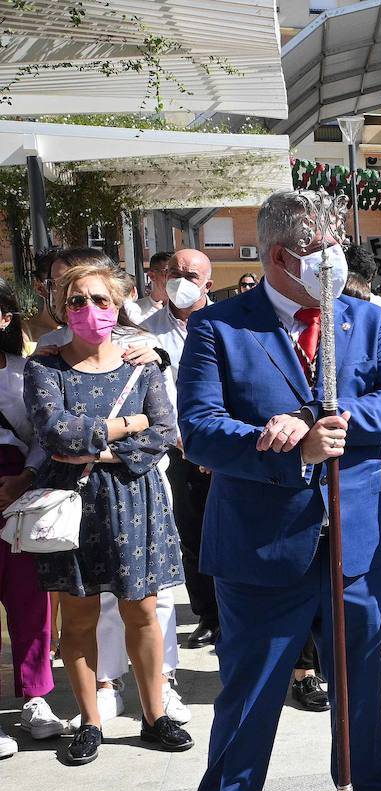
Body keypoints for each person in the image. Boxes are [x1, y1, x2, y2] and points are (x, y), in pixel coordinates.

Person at [169, 190, 381, 791]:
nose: (336, 261)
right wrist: (271, 442)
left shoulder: (369, 320)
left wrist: (327, 422)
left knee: (363, 697)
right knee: (247, 703)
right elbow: (200, 427)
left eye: (340, 244)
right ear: (281, 257)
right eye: (323, 249)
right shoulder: (220, 327)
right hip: (262, 548)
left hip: (355, 542)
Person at [24, 262, 192, 765]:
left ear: (119, 305)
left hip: (134, 502)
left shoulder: (143, 364)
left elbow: (162, 431)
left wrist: (94, 447)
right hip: (74, 506)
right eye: (78, 300)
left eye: (101, 300)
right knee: (77, 618)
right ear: (63, 307)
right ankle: (91, 720)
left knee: (142, 611)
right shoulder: (44, 368)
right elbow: (56, 435)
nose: (90, 310)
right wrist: (126, 424)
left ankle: (154, 713)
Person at [0, 279, 62, 759]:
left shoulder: (27, 371)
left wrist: (23, 479)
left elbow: (45, 433)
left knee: (31, 599)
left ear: (5, 317)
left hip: (19, 491)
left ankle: (36, 697)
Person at [152, 249, 220, 651]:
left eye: (189, 274)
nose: (179, 280)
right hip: (177, 450)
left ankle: (234, 610)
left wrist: (214, 442)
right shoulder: (144, 331)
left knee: (232, 529)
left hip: (225, 448)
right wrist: (183, 439)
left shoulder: (228, 323)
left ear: (207, 284)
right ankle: (208, 615)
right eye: (173, 272)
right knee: (191, 534)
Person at [128, 251, 172, 324]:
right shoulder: (135, 311)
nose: (174, 278)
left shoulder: (187, 310)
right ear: (152, 275)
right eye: (168, 272)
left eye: (177, 274)